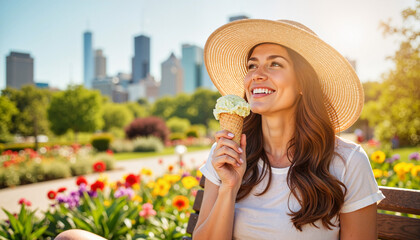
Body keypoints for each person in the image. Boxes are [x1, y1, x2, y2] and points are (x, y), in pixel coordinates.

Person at [193, 19, 385, 240]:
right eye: (252, 65)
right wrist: (228, 188)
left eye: (275, 64)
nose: (257, 74)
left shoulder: (348, 161)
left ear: (302, 83)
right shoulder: (225, 154)